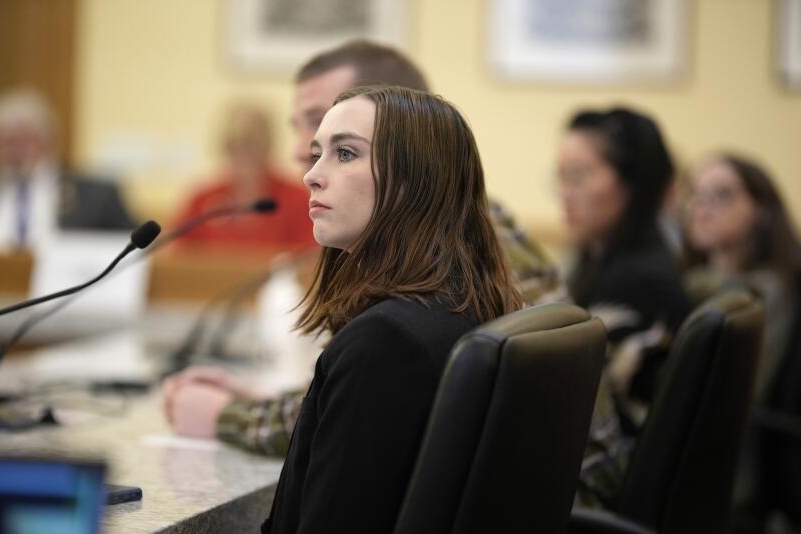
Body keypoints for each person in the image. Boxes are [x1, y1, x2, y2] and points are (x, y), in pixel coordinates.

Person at [162, 39, 562, 455]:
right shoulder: (431, 239)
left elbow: (380, 386)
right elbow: (373, 395)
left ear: (404, 129)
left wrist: (228, 415)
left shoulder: (457, 254)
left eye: (343, 146)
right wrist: (270, 402)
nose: (300, 151)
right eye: (303, 130)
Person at [263, 84, 525, 534]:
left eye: (345, 153)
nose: (311, 177)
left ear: (415, 179)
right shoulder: (464, 307)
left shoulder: (384, 344)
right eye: (316, 154)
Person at [558, 107, 692, 507]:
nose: (565, 192)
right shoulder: (608, 266)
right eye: (560, 177)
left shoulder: (637, 282)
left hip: (612, 492)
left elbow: (598, 424)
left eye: (579, 175)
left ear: (633, 184)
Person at [683, 154, 801, 534]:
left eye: (723, 195)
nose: (703, 206)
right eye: (695, 195)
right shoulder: (694, 284)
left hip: (736, 471)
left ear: (762, 211)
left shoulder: (766, 294)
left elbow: (736, 394)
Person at [0, 87, 134, 251]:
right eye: (0, 144)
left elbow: (135, 248)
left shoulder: (97, 197)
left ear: (48, 141)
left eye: (20, 141)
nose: (11, 153)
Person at [172, 101, 316, 251]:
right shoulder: (202, 200)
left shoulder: (296, 199)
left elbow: (309, 260)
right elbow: (177, 258)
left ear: (267, 147)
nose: (243, 156)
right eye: (234, 146)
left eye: (252, 146)